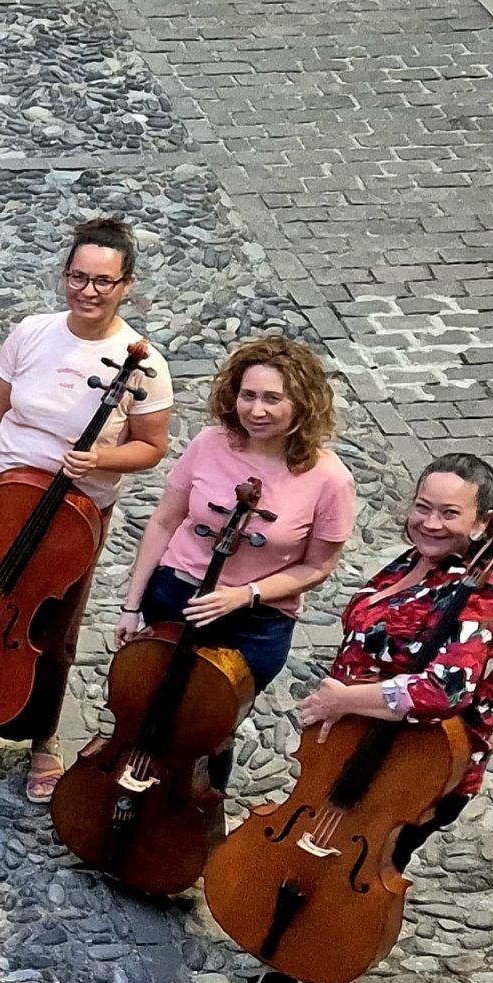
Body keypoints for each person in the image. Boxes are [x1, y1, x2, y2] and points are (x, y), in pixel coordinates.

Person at [255, 454, 493, 983]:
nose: (431, 522)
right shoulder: (416, 562)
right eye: (423, 506)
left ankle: (331, 975)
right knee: (325, 845)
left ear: (479, 522)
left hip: (416, 763)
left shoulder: (485, 599)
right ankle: (297, 937)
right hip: (363, 743)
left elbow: (442, 691)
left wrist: (344, 698)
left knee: (367, 866)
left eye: (450, 513)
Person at [0, 217, 174, 801]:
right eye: (78, 277)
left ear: (126, 285)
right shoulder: (32, 332)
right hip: (3, 496)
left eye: (103, 281)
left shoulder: (144, 366)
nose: (88, 291)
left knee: (52, 630)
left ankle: (41, 737)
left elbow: (152, 447)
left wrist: (103, 457)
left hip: (74, 512)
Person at [110, 335, 355, 788]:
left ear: (303, 403)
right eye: (248, 396)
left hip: (255, 622)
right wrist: (131, 603)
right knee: (148, 708)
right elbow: (164, 522)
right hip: (176, 597)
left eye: (272, 399)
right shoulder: (209, 442)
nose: (256, 410)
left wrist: (244, 595)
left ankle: (196, 812)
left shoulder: (330, 479)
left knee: (210, 730)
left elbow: (318, 567)